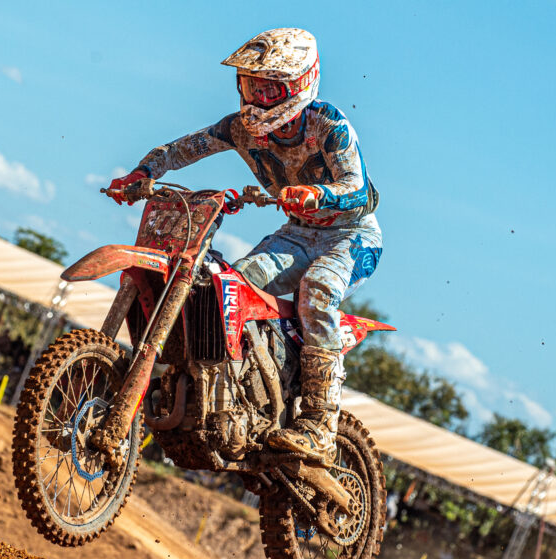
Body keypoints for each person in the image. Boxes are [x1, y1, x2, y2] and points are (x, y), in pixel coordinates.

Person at [108, 28, 381, 465]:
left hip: (350, 237)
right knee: (234, 285)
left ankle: (319, 423)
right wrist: (143, 172)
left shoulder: (328, 124)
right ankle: (244, 392)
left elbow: (358, 188)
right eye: (251, 86)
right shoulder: (239, 128)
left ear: (298, 84)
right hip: (296, 234)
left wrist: (317, 193)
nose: (257, 97)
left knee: (317, 290)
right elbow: (183, 149)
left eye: (269, 88)